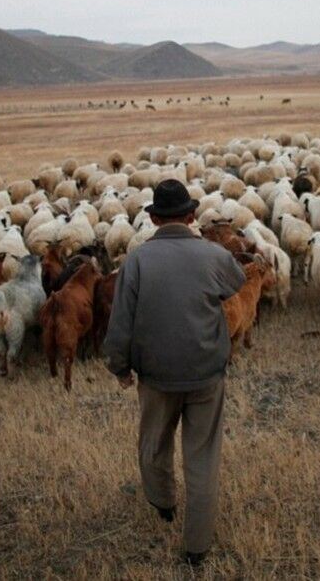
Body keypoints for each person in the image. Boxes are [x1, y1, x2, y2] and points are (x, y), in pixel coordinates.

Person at [102, 179, 246, 566]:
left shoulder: (135, 260)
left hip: (156, 376)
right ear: (192, 216)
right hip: (206, 373)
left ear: (151, 218)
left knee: (153, 443)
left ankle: (163, 503)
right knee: (201, 457)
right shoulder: (212, 255)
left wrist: (119, 367)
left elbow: (120, 323)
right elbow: (238, 281)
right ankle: (197, 547)